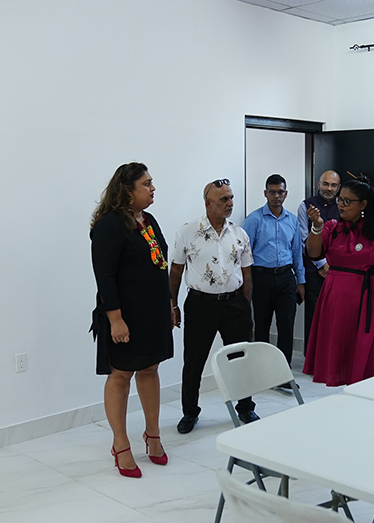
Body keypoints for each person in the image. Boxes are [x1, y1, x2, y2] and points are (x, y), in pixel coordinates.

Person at [90, 162, 173, 478]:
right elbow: (105, 277)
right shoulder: (109, 225)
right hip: (124, 316)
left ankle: (153, 435)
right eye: (147, 184)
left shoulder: (148, 220)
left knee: (150, 369)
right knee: (121, 374)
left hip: (153, 313)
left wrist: (168, 304)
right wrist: (115, 320)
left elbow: (159, 265)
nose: (153, 189)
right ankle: (121, 444)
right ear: (128, 190)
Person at [170, 179, 259, 434]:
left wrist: (245, 305)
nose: (230, 204)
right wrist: (173, 305)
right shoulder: (187, 232)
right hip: (201, 305)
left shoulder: (239, 234)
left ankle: (245, 407)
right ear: (208, 203)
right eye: (224, 200)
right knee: (194, 361)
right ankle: (190, 412)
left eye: (231, 198)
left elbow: (247, 273)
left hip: (234, 304)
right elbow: (176, 271)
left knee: (240, 359)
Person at [303, 176, 374, 386]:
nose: (341, 205)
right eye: (340, 200)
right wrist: (316, 226)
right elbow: (314, 253)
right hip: (338, 303)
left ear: (363, 204)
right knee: (342, 355)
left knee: (373, 358)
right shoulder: (332, 228)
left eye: (347, 201)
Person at [243, 174, 305, 372]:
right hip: (261, 277)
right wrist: (247, 284)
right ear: (265, 193)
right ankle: (262, 370)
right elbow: (245, 254)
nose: (276, 196)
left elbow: (297, 253)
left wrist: (300, 281)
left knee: (286, 324)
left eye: (280, 192)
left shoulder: (292, 221)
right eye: (272, 192)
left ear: (285, 194)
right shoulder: (254, 220)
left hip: (287, 277)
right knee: (262, 324)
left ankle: (283, 370)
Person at [296, 170, 341, 354]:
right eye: (326, 184)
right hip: (314, 271)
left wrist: (332, 266)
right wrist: (322, 264)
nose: (329, 189)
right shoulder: (306, 206)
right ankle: (312, 358)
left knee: (336, 315)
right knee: (314, 315)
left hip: (338, 270)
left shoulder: (343, 206)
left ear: (338, 187)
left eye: (333, 185)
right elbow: (303, 238)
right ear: (318, 184)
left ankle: (333, 357)